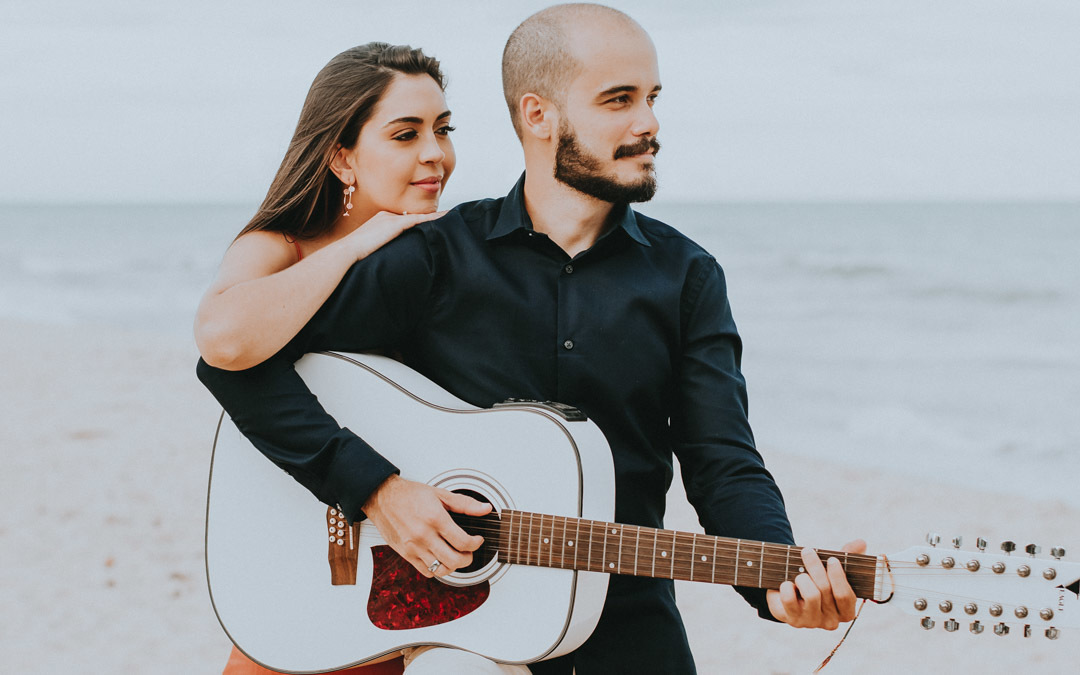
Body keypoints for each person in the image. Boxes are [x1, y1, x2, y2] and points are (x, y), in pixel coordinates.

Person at [198, 5, 864, 674]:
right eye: (618, 100)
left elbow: (724, 461)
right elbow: (237, 363)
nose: (649, 123)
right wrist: (376, 488)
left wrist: (777, 581)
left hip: (625, 621)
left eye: (653, 99)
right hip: (461, 627)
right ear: (538, 115)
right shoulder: (433, 257)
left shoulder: (687, 277)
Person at [195, 42, 459, 675]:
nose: (435, 153)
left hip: (428, 573)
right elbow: (224, 341)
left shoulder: (450, 250)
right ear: (343, 155)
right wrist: (360, 242)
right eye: (405, 134)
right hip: (320, 563)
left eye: (444, 130)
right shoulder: (279, 245)